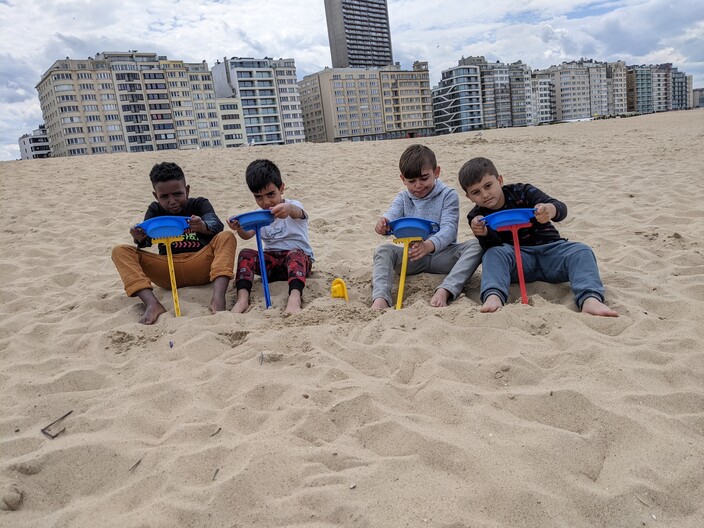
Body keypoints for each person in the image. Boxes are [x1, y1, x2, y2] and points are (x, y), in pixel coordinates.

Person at [458, 156, 618, 317]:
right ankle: (494, 297)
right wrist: (483, 233)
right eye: (476, 192)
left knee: (581, 251)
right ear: (469, 197)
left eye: (488, 186)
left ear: (499, 180)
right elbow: (492, 246)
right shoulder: (477, 216)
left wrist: (550, 209)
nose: (485, 194)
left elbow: (560, 208)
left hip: (551, 252)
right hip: (518, 262)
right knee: (492, 255)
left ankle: (590, 299)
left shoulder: (523, 192)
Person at [112, 162, 236, 324]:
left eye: (177, 194)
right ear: (156, 196)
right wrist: (139, 235)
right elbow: (146, 241)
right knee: (119, 251)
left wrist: (203, 226)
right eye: (164, 197)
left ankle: (218, 300)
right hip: (167, 271)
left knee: (227, 236)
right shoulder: (155, 210)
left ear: (187, 190)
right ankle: (152, 303)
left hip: (201, 265)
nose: (172, 201)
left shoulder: (199, 204)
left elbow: (216, 225)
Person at [372, 144, 483, 309]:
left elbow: (449, 229)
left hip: (443, 255)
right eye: (411, 181)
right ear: (403, 179)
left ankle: (445, 289)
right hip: (412, 255)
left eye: (424, 178)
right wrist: (384, 223)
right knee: (382, 250)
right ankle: (381, 299)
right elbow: (392, 214)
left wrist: (429, 245)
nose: (418, 185)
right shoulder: (403, 197)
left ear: (436, 172)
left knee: (476, 245)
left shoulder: (447, 195)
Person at [227, 159, 314, 314]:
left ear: (281, 188)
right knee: (245, 254)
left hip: (297, 262)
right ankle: (242, 299)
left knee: (295, 254)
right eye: (258, 197)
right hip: (271, 262)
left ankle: (294, 299)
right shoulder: (259, 214)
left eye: (271, 194)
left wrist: (288, 208)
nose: (266, 202)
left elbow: (298, 213)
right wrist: (239, 227)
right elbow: (247, 235)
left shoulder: (293, 205)